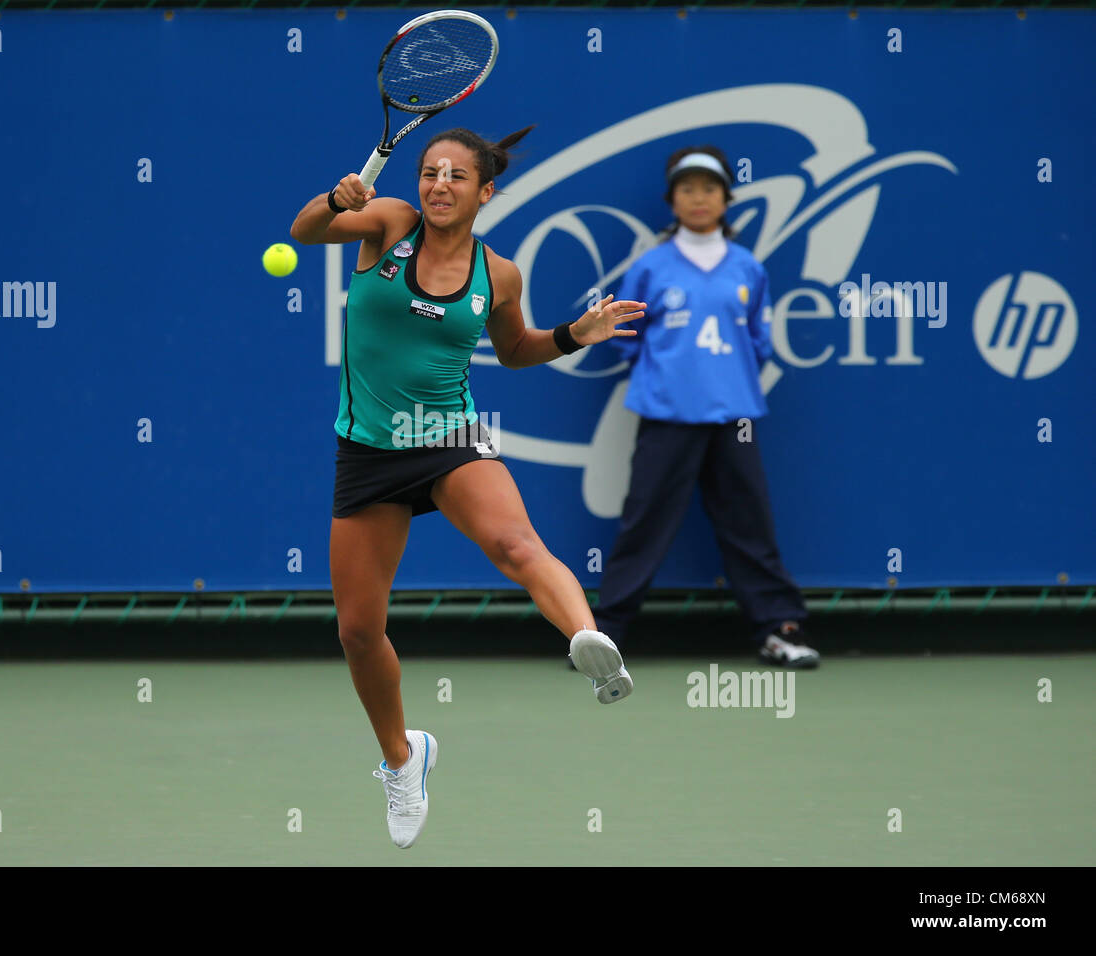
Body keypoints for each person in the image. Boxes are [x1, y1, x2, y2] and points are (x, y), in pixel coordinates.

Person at [289, 127, 647, 849]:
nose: (439, 184)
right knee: (358, 632)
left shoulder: (500, 275)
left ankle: (585, 636)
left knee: (515, 543)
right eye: (429, 172)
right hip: (367, 452)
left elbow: (516, 352)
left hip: (448, 435)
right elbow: (305, 233)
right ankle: (402, 755)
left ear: (485, 192)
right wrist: (337, 198)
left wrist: (575, 333)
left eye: (457, 175)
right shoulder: (387, 223)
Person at [594, 145, 820, 669]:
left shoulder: (748, 267)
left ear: (726, 198)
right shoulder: (650, 267)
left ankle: (779, 628)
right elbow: (624, 337)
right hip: (666, 414)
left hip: (734, 416)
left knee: (750, 524)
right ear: (671, 199)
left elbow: (759, 341)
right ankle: (608, 634)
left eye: (710, 189)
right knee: (643, 523)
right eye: (688, 189)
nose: (699, 198)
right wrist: (670, 379)